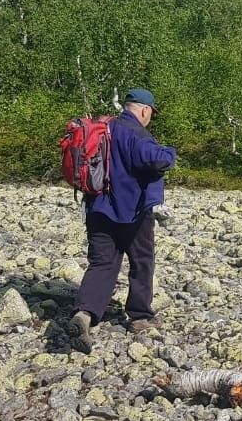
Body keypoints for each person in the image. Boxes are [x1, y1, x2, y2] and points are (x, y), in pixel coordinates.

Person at [69, 88, 177, 353]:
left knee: (102, 262)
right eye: (151, 113)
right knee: (141, 260)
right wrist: (170, 152)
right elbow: (156, 160)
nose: (150, 117)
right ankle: (139, 316)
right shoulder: (135, 132)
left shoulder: (105, 128)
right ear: (144, 110)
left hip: (97, 207)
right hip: (132, 212)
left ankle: (85, 313)